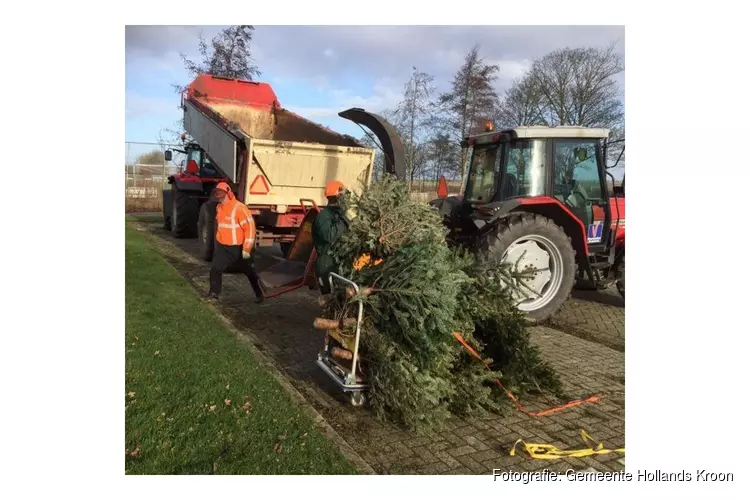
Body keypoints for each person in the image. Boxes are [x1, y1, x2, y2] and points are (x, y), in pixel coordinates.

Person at [205, 182, 264, 303]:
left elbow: (250, 228)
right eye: (217, 194)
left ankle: (260, 294)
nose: (218, 196)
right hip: (224, 247)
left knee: (249, 272)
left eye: (220, 194)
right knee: (215, 269)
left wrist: (246, 249)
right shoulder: (219, 208)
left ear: (228, 193)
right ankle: (214, 294)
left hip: (239, 248)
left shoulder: (240, 208)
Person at [312, 180, 354, 295]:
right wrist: (346, 219)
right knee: (330, 297)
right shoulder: (323, 216)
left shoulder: (340, 213)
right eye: (343, 197)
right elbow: (329, 236)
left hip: (340, 261)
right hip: (327, 263)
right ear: (337, 197)